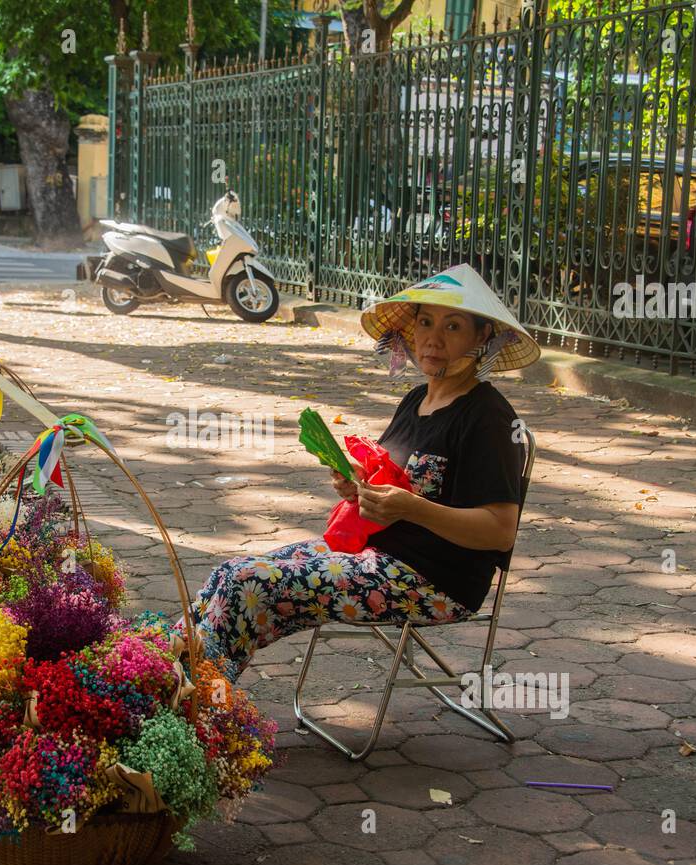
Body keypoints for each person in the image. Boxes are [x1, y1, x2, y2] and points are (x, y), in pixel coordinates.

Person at [170, 263, 541, 681]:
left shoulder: (487, 417)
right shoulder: (417, 399)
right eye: (424, 322)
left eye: (453, 326)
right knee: (229, 574)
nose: (433, 339)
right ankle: (156, 674)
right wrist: (357, 487)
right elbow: (390, 486)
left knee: (247, 584)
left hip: (430, 580)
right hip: (371, 555)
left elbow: (499, 531)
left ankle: (196, 706)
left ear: (482, 338)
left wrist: (412, 509)